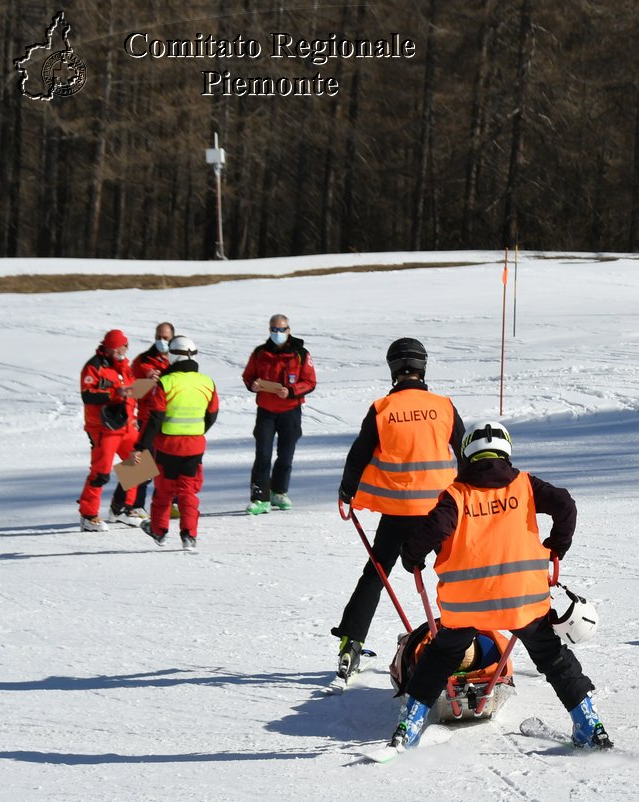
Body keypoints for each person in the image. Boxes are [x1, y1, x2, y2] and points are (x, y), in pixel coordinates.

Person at [394, 420, 611, 750]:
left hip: (465, 607)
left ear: (467, 454)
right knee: (553, 658)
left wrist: (411, 555)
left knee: (439, 658)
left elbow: (433, 529)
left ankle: (407, 728)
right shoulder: (525, 486)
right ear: (506, 451)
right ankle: (589, 723)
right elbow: (565, 504)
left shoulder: (457, 495)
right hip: (522, 602)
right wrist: (557, 546)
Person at [332, 338, 463, 680]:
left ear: (393, 368)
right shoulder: (444, 406)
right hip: (440, 512)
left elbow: (358, 456)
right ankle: (474, 638)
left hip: (398, 513)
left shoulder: (382, 409)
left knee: (375, 575)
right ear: (423, 367)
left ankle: (351, 644)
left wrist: (348, 492)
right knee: (459, 573)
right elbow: (465, 453)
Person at [136, 335, 219, 551]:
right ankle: (189, 535)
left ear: (172, 355)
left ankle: (159, 530)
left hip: (167, 446)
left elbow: (155, 418)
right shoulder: (207, 382)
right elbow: (212, 414)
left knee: (163, 490)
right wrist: (196, 431)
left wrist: (142, 446)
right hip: (194, 446)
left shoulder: (165, 382)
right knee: (187, 491)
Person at [241, 313, 317, 515]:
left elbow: (310, 382)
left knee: (285, 455)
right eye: (274, 329)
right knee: (263, 455)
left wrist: (291, 391)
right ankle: (259, 498)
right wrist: (253, 385)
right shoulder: (260, 353)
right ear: (269, 330)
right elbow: (248, 375)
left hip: (290, 412)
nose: (278, 333)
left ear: (288, 330)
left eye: (281, 329)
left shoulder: (300, 354)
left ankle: (278, 492)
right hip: (266, 412)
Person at [112, 321, 176, 522]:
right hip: (147, 417)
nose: (161, 341)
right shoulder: (143, 360)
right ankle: (126, 505)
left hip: (171, 419)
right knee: (141, 463)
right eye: (158, 337)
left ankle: (171, 503)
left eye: (165, 338)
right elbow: (132, 389)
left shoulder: (177, 359)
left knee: (169, 463)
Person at [77, 329, 138, 532]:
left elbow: (131, 394)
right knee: (100, 473)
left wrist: (134, 417)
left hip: (127, 425)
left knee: (139, 463)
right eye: (123, 346)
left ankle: (122, 509)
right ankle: (88, 515)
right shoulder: (94, 366)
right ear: (113, 347)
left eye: (126, 346)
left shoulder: (125, 367)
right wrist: (114, 393)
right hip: (103, 428)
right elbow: (88, 396)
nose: (126, 350)